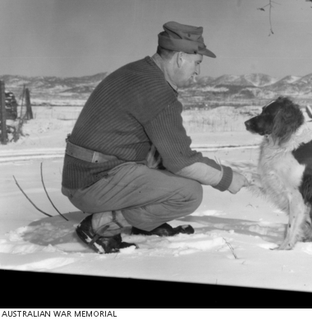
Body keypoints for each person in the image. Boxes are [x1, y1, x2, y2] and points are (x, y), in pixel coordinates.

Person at [61, 21, 249, 254]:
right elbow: (183, 162)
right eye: (197, 63)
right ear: (180, 58)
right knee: (189, 193)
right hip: (91, 184)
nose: (198, 73)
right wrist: (227, 178)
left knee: (160, 156)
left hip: (84, 176)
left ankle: (144, 223)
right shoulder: (157, 90)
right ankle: (101, 226)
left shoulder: (139, 71)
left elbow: (165, 152)